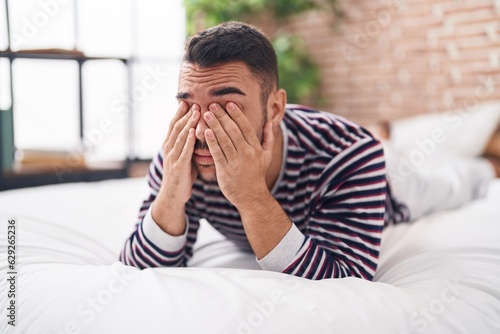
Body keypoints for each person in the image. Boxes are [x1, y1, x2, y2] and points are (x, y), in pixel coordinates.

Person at [119, 21, 498, 280]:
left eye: (226, 105)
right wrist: (171, 194)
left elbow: (343, 276)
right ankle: (386, 134)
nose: (201, 126)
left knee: (454, 179)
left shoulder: (349, 155)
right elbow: (138, 267)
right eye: (188, 103)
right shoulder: (182, 150)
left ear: (274, 108)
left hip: (392, 184)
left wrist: (250, 195)